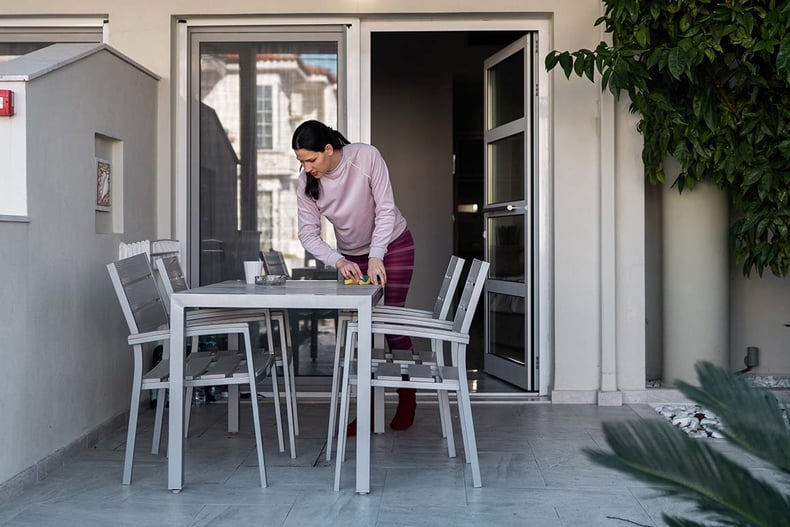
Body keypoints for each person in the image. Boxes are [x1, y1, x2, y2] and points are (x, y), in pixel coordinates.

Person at [292, 119, 417, 433]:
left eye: (311, 159)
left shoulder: (365, 157)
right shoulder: (307, 184)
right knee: (362, 331)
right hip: (353, 257)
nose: (307, 168)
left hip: (394, 244)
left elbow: (386, 208)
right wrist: (337, 260)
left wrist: (377, 254)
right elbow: (307, 235)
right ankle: (370, 409)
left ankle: (407, 394)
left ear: (329, 149)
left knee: (392, 321)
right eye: (301, 162)